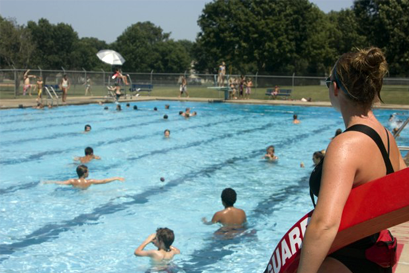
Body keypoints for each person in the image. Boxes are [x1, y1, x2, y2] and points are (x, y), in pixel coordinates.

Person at [298, 47, 407, 273]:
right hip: (374, 258)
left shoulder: (346, 145)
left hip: (344, 262)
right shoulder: (387, 138)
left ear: (335, 88)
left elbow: (324, 224)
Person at [44, 165, 125, 189]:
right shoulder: (90, 181)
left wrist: (47, 182)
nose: (89, 172)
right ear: (85, 173)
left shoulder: (72, 181)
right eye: (88, 171)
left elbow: (59, 183)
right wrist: (116, 178)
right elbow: (103, 181)